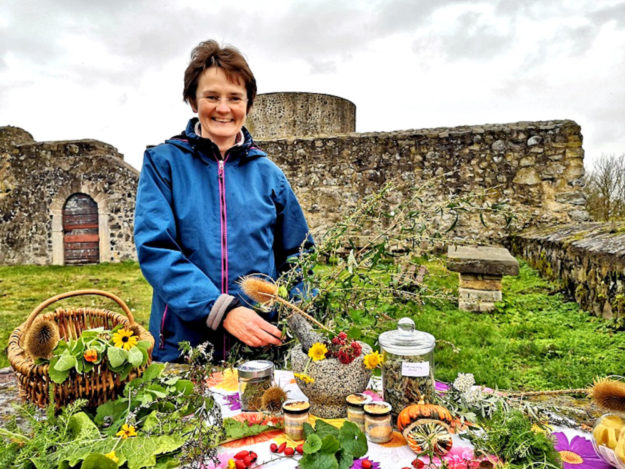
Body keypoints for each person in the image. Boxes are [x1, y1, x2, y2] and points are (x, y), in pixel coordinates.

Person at [134, 40, 313, 363]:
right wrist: (222, 310)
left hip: (258, 348)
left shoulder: (270, 175)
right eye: (211, 96)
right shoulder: (163, 164)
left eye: (235, 98)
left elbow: (299, 257)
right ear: (192, 101)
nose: (223, 108)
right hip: (183, 347)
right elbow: (156, 248)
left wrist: (299, 322)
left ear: (248, 104)